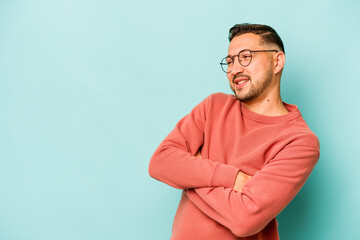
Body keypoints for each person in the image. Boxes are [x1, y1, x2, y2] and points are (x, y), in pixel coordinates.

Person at [148, 23, 320, 240]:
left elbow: (244, 220)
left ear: (277, 61)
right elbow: (160, 162)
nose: (234, 69)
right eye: (230, 61)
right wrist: (234, 178)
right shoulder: (213, 106)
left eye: (246, 57)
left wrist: (189, 175)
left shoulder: (299, 141)